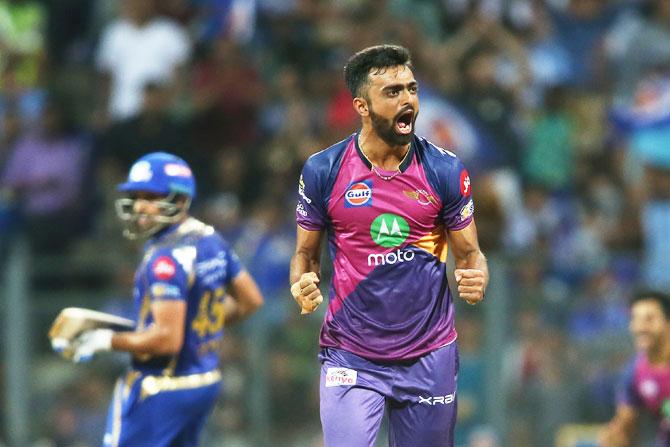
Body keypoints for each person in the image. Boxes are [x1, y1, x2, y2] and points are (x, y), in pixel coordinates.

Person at [290, 45, 489, 447]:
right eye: (393, 92)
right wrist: (302, 282)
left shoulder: (445, 170)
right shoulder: (324, 171)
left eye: (412, 89)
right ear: (362, 106)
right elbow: (305, 254)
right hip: (351, 353)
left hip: (429, 355)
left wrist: (477, 274)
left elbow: (470, 253)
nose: (408, 100)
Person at [66, 152, 263, 446]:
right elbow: (250, 300)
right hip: (204, 380)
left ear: (180, 200)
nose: (141, 206)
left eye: (152, 196)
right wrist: (193, 326)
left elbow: (166, 340)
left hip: (160, 386)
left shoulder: (165, 258)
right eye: (138, 196)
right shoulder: (210, 239)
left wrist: (104, 340)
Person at [600, 290, 670, 447]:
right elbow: (626, 419)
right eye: (635, 319)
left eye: (649, 319)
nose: (640, 327)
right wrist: (615, 435)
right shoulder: (635, 371)